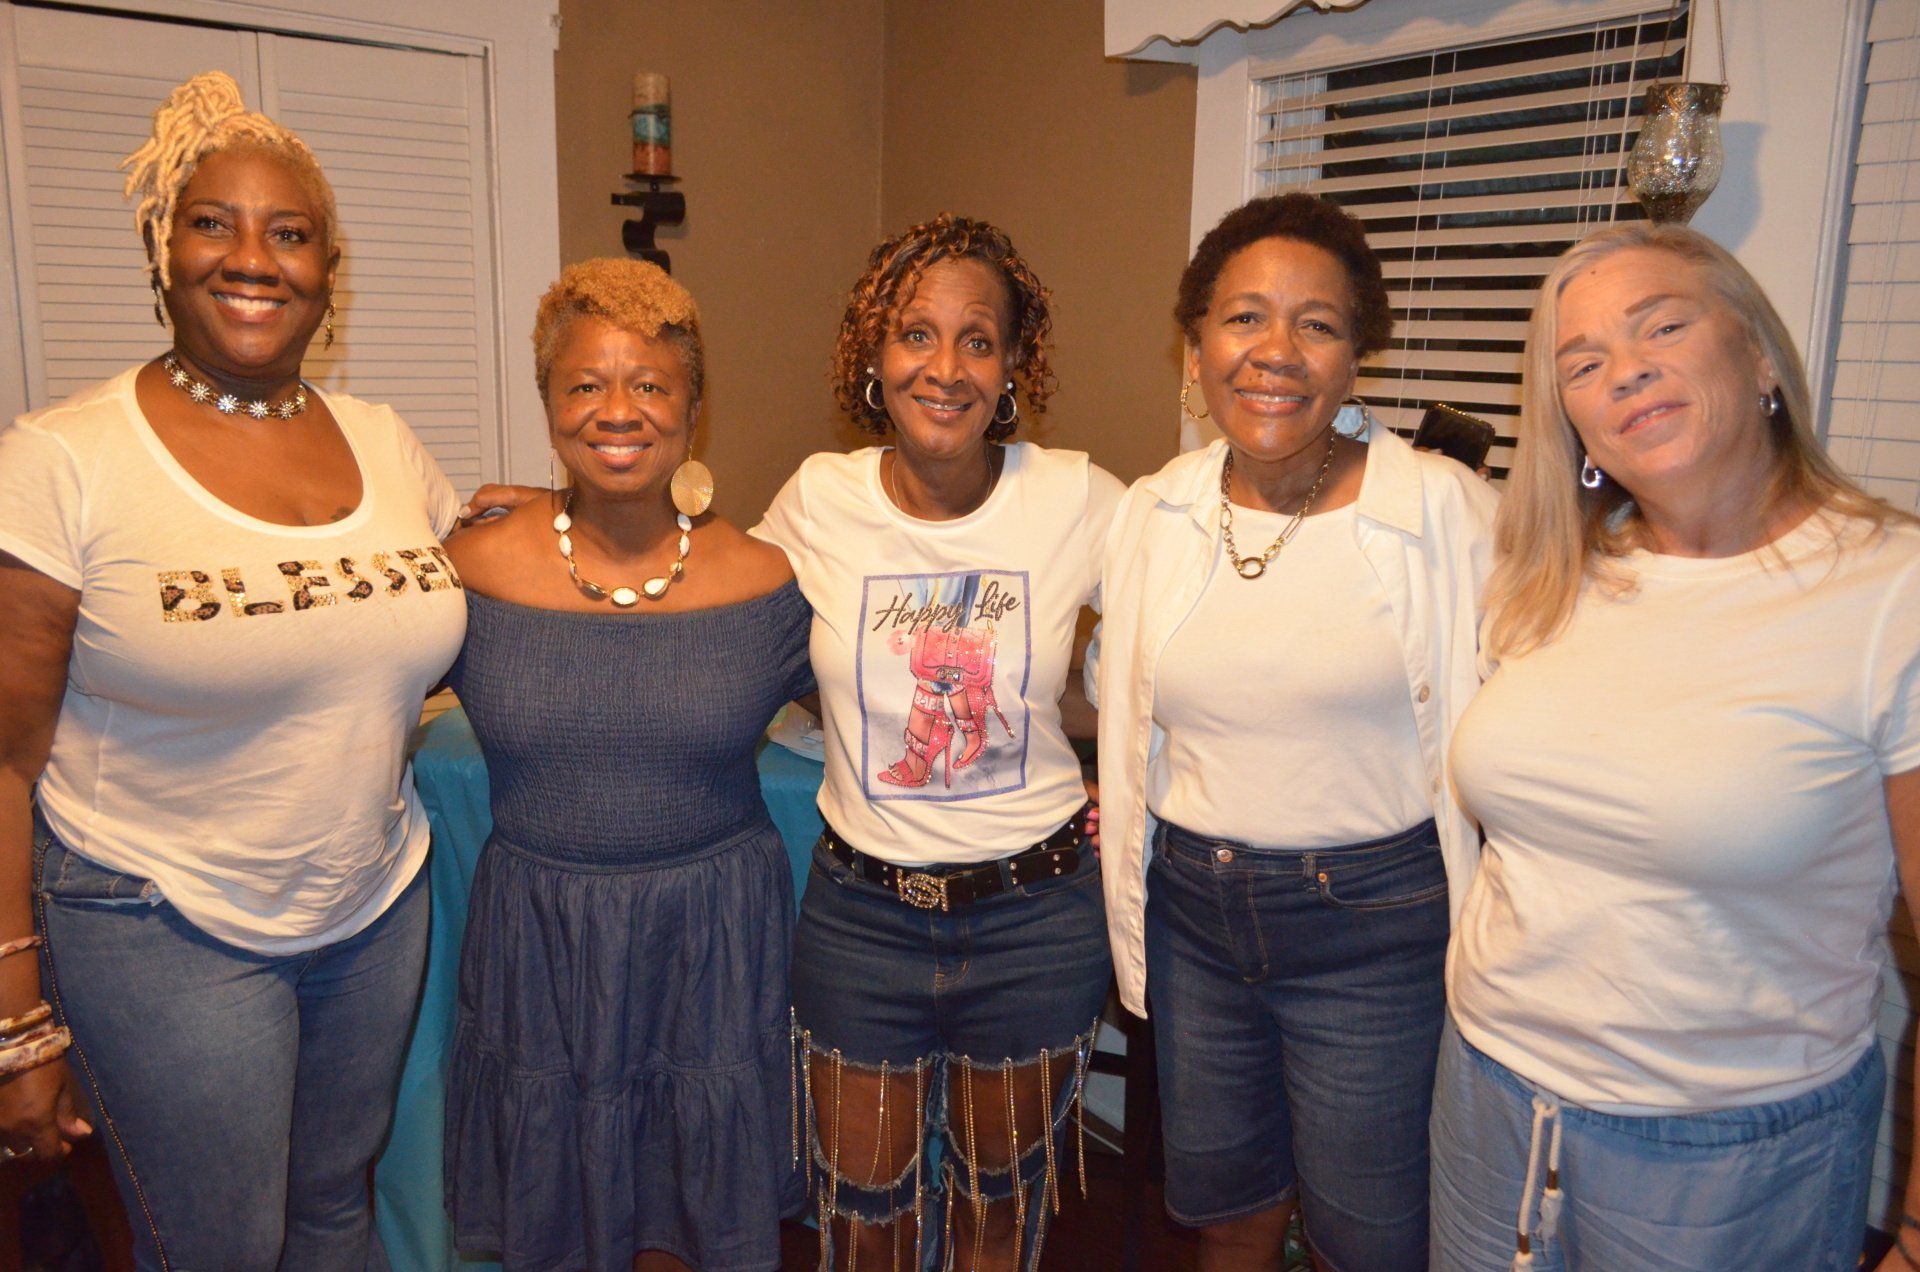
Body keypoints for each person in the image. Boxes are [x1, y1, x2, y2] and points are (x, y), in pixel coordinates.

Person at [0, 72, 466, 1267]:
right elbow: (4, 762)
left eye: (289, 233)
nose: (253, 258)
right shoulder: (62, 460)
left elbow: (459, 593)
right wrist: (15, 1016)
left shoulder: (386, 441)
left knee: (335, 1208)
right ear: (164, 253)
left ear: (328, 272)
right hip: (161, 924)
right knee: (223, 1245)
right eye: (214, 223)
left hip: (373, 908)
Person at [1430, 222, 1920, 1271]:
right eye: (1583, 363)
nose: (1626, 370)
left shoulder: (1893, 592)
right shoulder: (1547, 577)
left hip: (1729, 1157)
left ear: (1760, 357)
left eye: (1662, 327)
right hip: (1486, 1093)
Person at [1092, 192, 1498, 1272]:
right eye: (1244, 318)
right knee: (1228, 1208)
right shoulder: (1153, 511)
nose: (1276, 351)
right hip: (1194, 914)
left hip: (1376, 928)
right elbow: (1124, 695)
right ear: (1195, 345)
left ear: (1357, 356)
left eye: (1316, 324)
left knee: (1369, 1235)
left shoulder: (1449, 513)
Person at [754, 214, 1123, 1271]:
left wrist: (1140, 782)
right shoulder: (818, 498)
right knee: (862, 1215)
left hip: (1035, 920)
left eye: (978, 340)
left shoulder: (1080, 498)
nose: (946, 368)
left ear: (1012, 366)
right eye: (916, 334)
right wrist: (567, 516)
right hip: (862, 920)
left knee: (998, 1213)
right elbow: (717, 611)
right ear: (873, 357)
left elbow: (1176, 652)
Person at [440, 259, 812, 1272]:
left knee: (689, 1214)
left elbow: (887, 706)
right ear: (548, 404)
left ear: (693, 406)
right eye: (585, 384)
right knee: (556, 1216)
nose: (617, 411)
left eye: (650, 384)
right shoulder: (467, 570)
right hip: (543, 945)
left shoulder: (768, 580)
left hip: (710, 944)